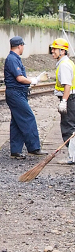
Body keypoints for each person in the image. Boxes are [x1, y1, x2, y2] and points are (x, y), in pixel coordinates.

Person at [4, 36, 44, 158]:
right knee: (28, 118)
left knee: (17, 121)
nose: (23, 48)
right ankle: (34, 148)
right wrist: (32, 80)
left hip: (16, 93)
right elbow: (19, 78)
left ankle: (15, 151)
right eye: (23, 46)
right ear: (20, 46)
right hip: (16, 94)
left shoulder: (14, 58)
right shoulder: (12, 59)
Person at [50, 37, 75, 165]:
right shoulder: (66, 63)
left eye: (55, 49)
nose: (52, 51)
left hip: (69, 99)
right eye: (53, 49)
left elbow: (67, 86)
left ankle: (72, 157)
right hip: (71, 98)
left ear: (63, 51)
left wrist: (64, 101)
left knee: (68, 128)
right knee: (71, 126)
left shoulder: (64, 65)